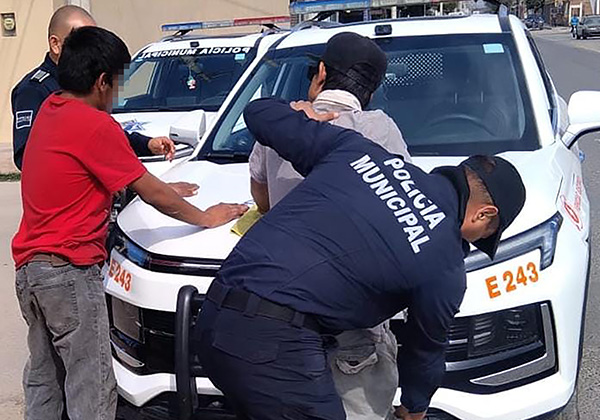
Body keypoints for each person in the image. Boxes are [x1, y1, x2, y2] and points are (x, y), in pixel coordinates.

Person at [194, 97, 527, 420]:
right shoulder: (445, 262)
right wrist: (415, 406)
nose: (476, 241)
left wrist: (299, 111)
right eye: (485, 235)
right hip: (276, 348)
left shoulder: (359, 152)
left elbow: (258, 113)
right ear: (485, 214)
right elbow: (425, 348)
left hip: (211, 317)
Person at [12, 26, 247, 420]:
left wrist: (162, 186)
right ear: (103, 81)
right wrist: (206, 216)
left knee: (45, 375)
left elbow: (115, 178)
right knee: (93, 379)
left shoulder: (52, 109)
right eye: (118, 83)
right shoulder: (93, 125)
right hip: (68, 272)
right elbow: (152, 193)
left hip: (32, 271)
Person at [247, 32, 409, 420]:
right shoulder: (381, 130)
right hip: (352, 314)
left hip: (278, 310)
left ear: (320, 72)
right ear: (372, 90)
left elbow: (264, 200)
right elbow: (400, 212)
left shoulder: (280, 126)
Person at [10, 5, 176, 171]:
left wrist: (146, 144)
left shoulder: (91, 80)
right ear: (55, 44)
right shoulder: (33, 90)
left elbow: (103, 134)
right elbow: (26, 156)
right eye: (83, 39)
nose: (93, 46)